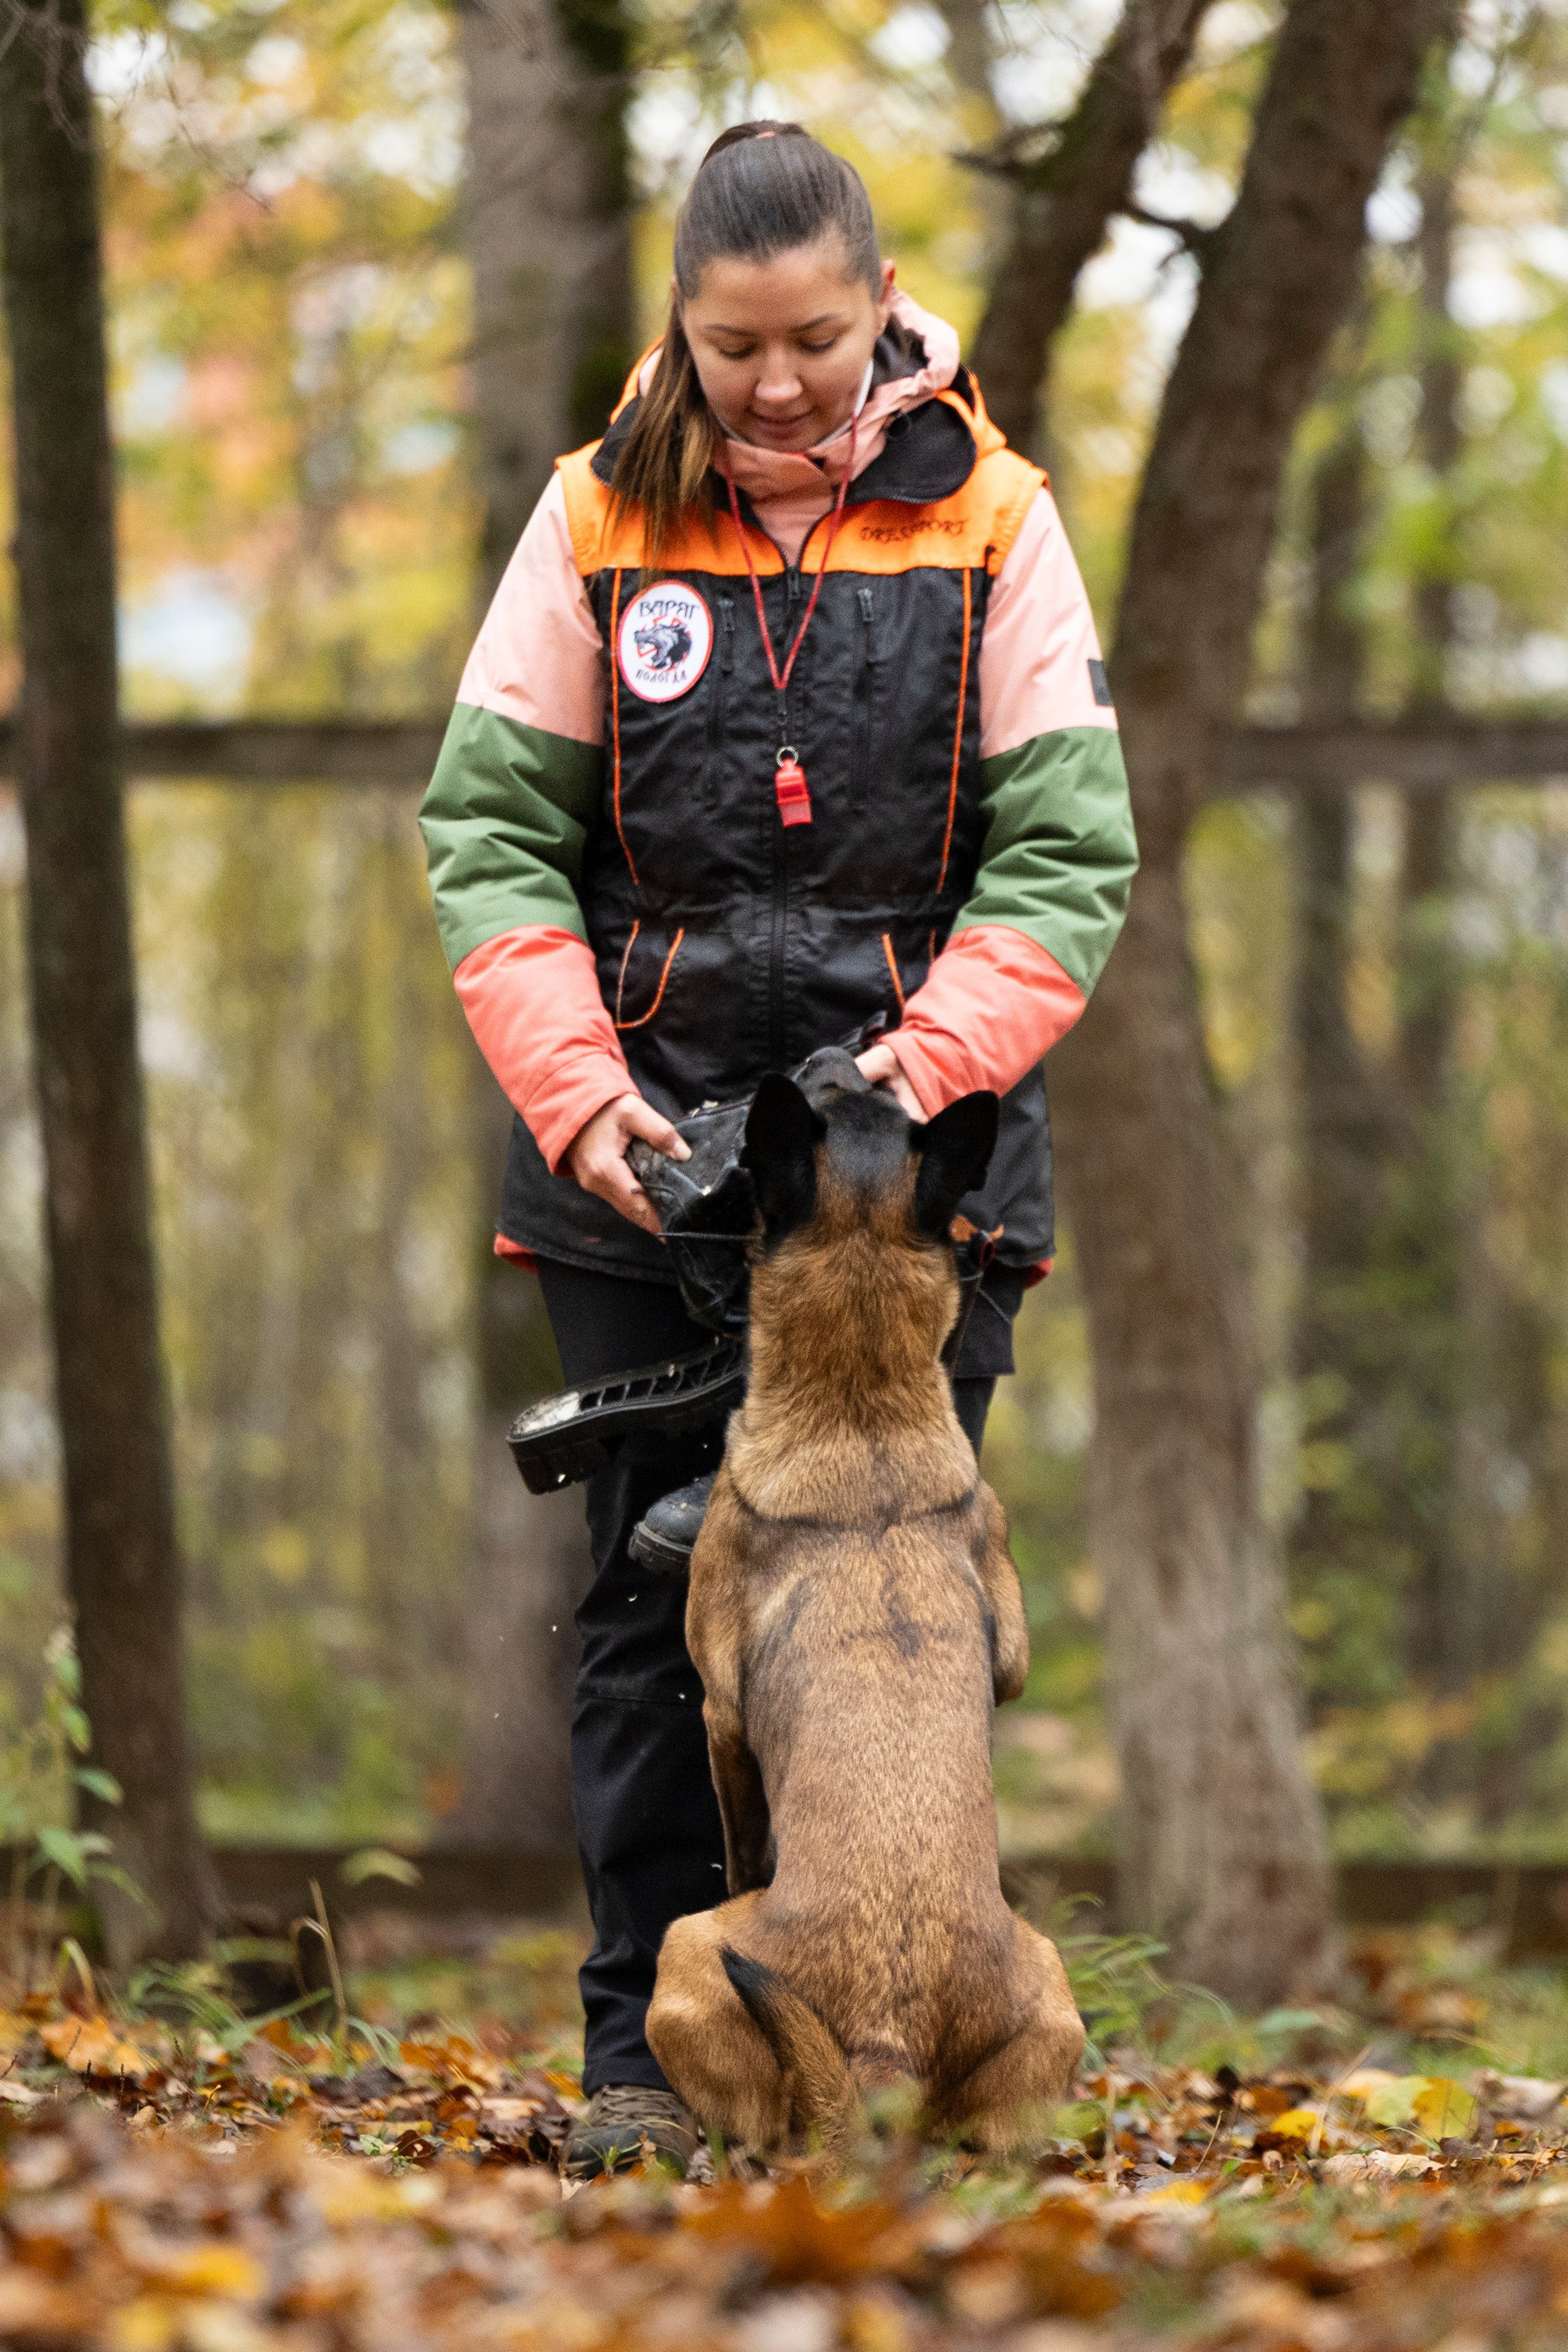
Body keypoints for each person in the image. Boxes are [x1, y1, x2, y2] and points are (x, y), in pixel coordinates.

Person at [420, 121, 1136, 2177]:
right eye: (734, 346)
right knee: (652, 1616)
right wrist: (587, 1104)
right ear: (683, 326)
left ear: (879, 305)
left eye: (815, 338)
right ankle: (651, 2066)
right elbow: (490, 842)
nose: (779, 384)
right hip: (637, 1173)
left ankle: (909, 2047)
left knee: (908, 1622)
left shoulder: (1000, 523)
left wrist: (914, 1082)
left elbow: (1070, 856)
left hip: (914, 1195)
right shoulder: (588, 522)